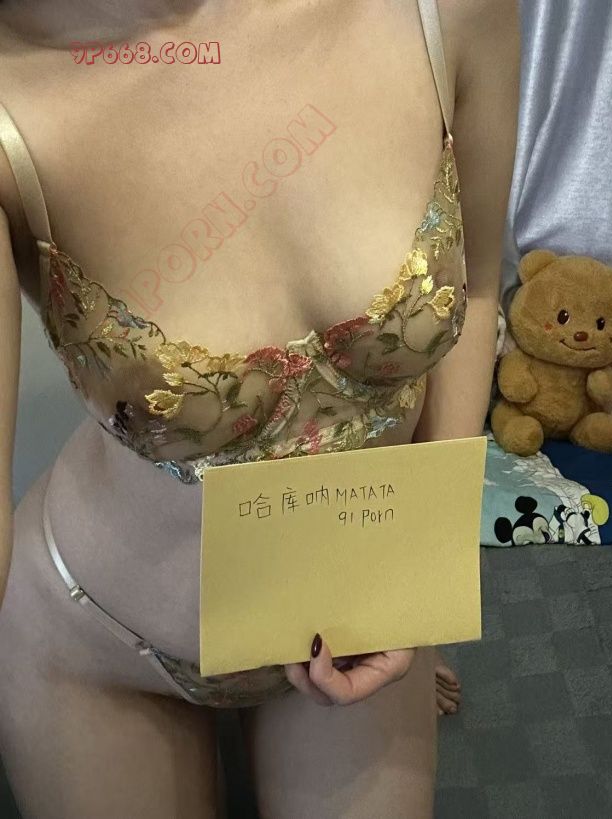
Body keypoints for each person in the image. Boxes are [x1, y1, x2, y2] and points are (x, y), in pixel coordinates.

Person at [0, 0, 519, 816]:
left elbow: (479, 285)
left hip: (349, 611)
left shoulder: (440, 12)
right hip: (101, 637)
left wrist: (418, 580)